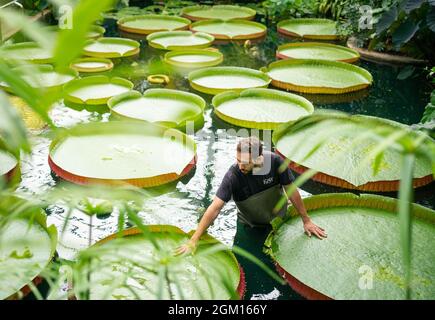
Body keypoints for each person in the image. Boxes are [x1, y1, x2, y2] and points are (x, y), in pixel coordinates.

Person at [175, 136, 327, 297]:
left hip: (281, 222)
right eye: (238, 160)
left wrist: (306, 220)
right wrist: (194, 240)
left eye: (246, 162)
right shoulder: (233, 176)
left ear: (259, 158)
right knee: (246, 268)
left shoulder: (275, 162)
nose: (240, 165)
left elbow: (291, 190)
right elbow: (215, 208)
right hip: (250, 227)